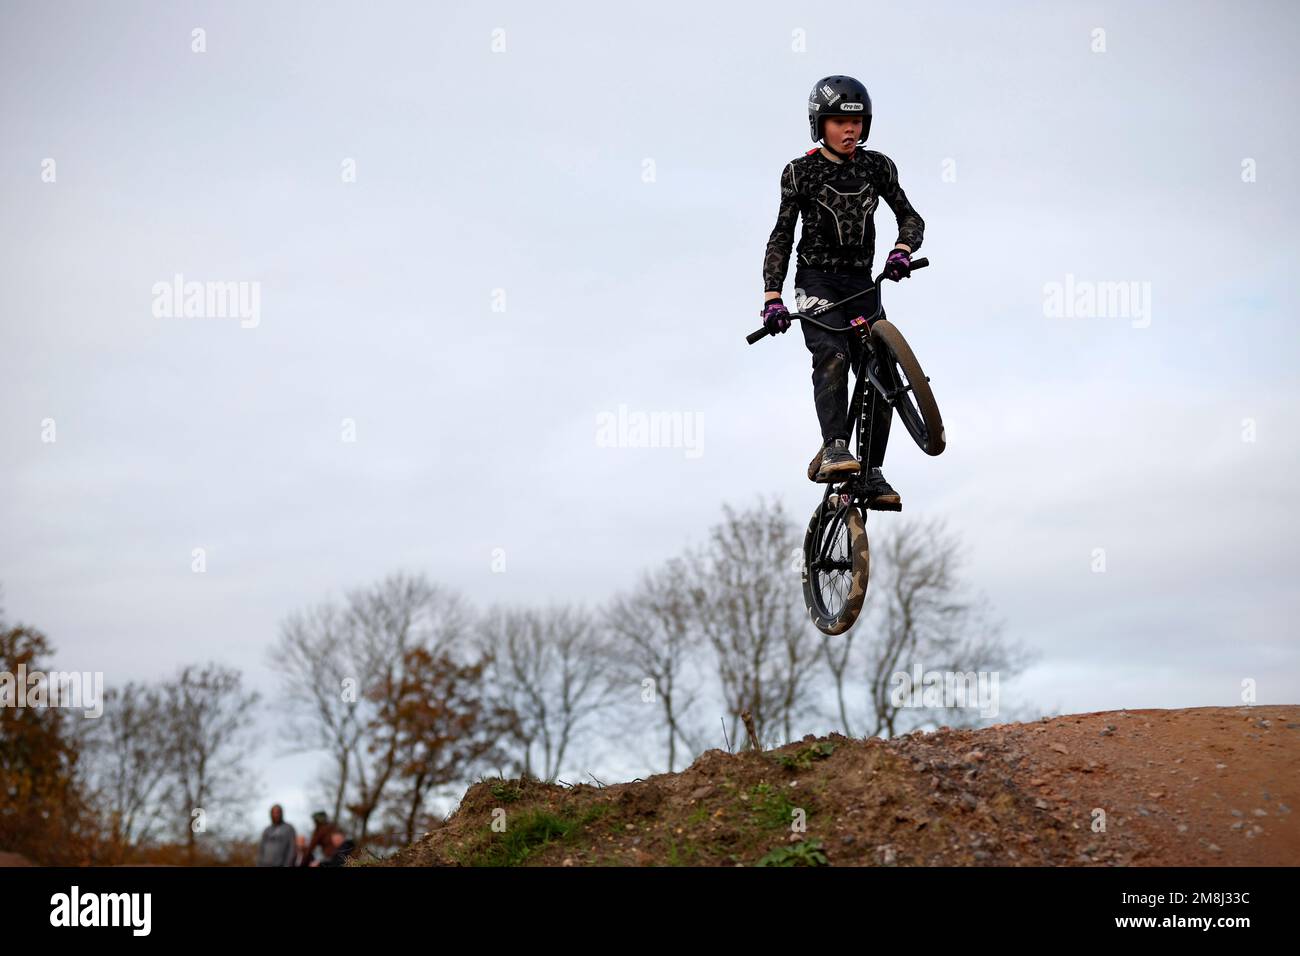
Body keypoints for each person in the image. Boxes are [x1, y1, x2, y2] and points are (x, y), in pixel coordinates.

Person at [761, 75, 925, 507]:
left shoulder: (878, 167)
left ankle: (871, 474)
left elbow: (911, 217)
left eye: (856, 122)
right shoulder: (800, 172)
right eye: (838, 122)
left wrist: (902, 250)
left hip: (861, 283)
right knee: (831, 352)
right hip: (816, 283)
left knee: (882, 375)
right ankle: (834, 444)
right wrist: (772, 298)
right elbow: (781, 236)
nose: (848, 130)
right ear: (821, 124)